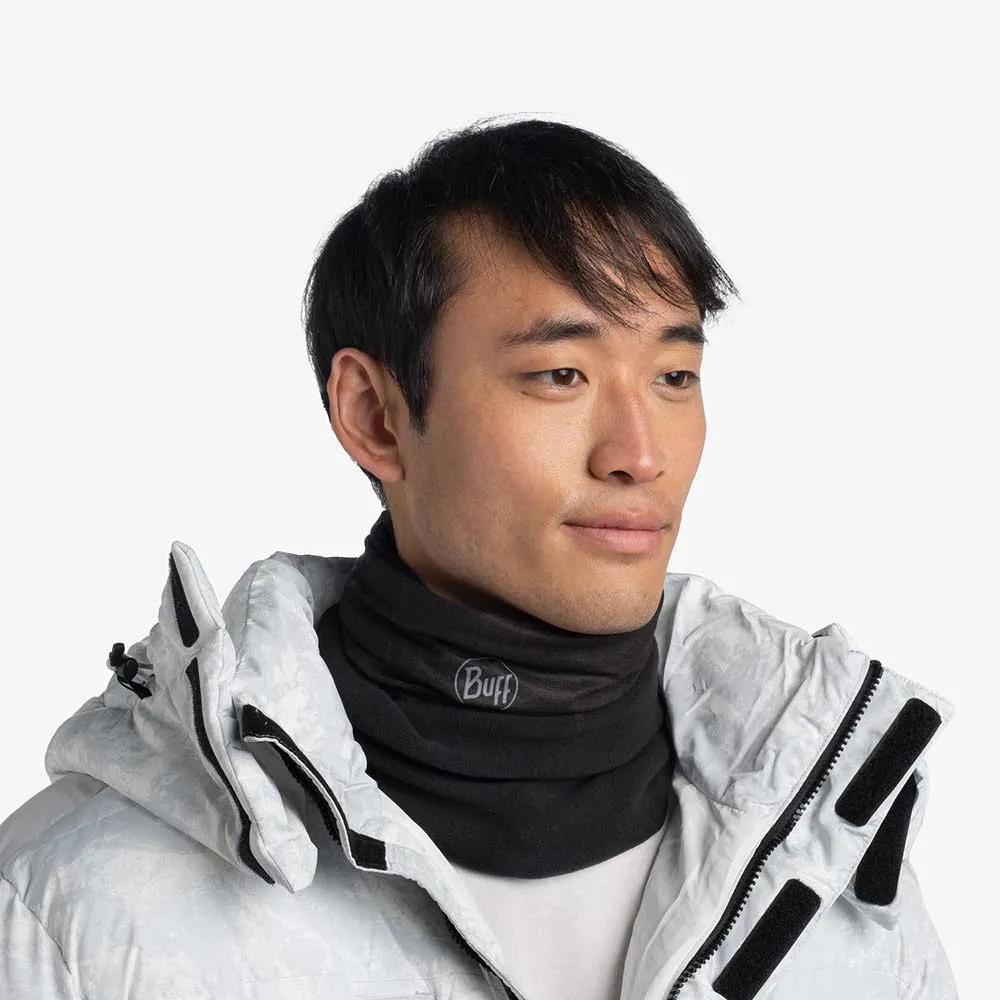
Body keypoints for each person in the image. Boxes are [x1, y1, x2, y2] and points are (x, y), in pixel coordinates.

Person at [0, 117, 956, 1000]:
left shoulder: (828, 872)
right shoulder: (78, 907)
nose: (640, 454)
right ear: (376, 417)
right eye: (561, 375)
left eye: (674, 375)